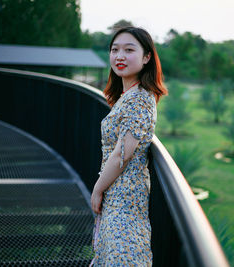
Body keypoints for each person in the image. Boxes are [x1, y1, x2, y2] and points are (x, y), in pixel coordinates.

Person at [90, 27, 168, 266]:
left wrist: (97, 189)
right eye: (115, 50)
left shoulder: (140, 99)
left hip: (126, 200)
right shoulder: (129, 95)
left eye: (128, 50)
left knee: (122, 256)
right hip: (118, 196)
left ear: (146, 57)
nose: (119, 56)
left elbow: (121, 155)